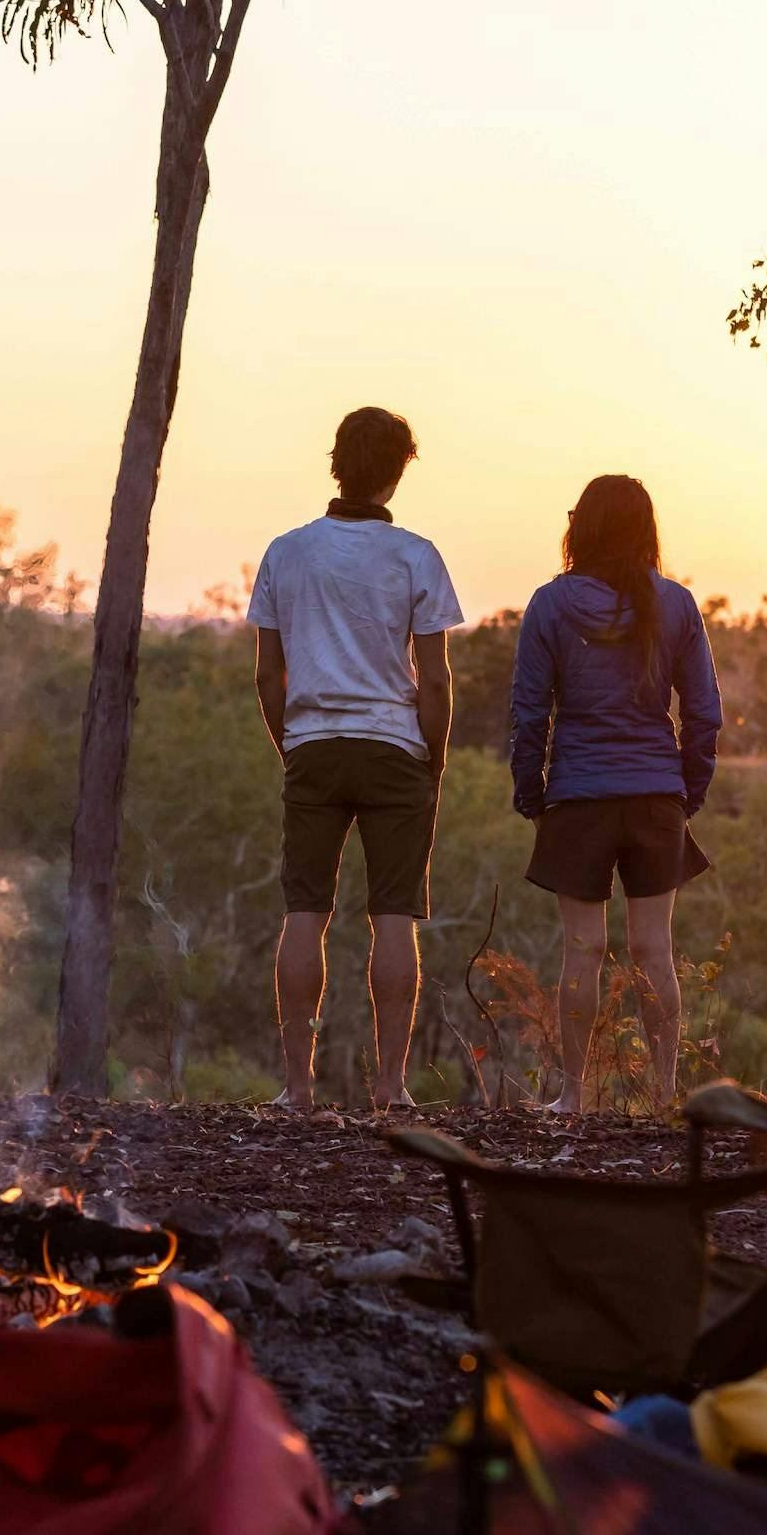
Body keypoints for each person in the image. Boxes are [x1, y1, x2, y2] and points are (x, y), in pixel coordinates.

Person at [246, 407, 465, 1109]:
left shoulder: (286, 552)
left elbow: (265, 675)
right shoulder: (416, 556)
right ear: (400, 469)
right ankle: (391, 1086)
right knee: (393, 915)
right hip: (395, 750)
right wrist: (434, 760)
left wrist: (294, 746)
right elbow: (433, 679)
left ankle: (297, 1086)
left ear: (336, 459)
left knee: (304, 911)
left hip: (312, 747)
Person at [507, 474, 722, 1113]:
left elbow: (527, 715)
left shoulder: (549, 604)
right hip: (655, 793)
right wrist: (688, 792)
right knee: (654, 947)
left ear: (583, 527)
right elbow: (705, 713)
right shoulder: (677, 604)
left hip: (578, 795)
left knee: (583, 951)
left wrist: (532, 794)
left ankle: (573, 1096)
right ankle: (662, 1096)